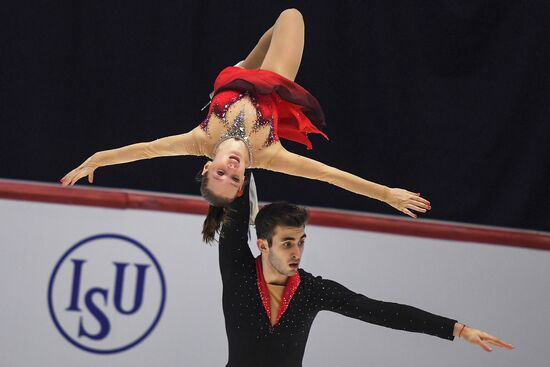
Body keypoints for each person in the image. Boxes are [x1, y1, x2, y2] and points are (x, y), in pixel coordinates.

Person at [60, 9, 431, 243]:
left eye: (221, 171)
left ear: (208, 166)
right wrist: (386, 194)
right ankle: (270, 43)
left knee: (269, 35)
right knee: (291, 16)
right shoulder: (267, 155)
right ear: (241, 185)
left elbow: (141, 150)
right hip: (269, 82)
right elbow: (330, 175)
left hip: (231, 78)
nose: (233, 169)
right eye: (235, 178)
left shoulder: (198, 141)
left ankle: (263, 44)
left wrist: (95, 160)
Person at [217, 171, 512, 367]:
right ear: (264, 245)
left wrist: (456, 329)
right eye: (287, 244)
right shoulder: (237, 268)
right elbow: (236, 184)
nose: (297, 253)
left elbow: (380, 311)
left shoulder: (312, 291)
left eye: (301, 242)